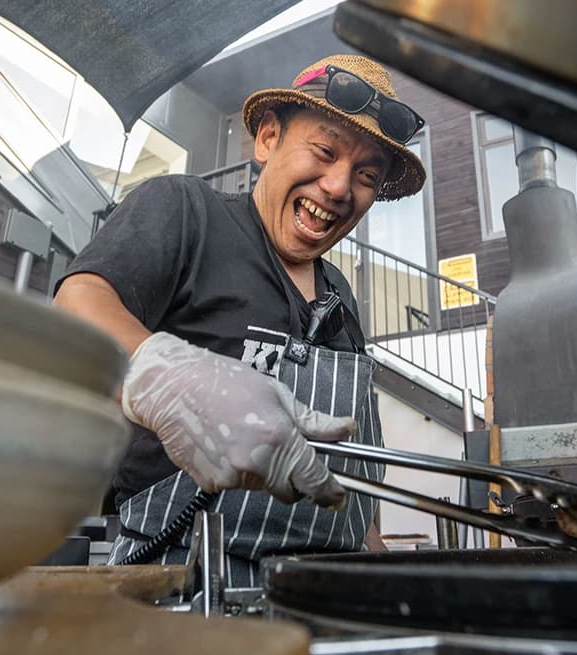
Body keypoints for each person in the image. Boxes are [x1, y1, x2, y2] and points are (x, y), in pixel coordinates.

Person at [53, 54, 426, 586]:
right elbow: (78, 305)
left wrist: (385, 573)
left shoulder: (341, 297)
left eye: (366, 176)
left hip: (326, 596)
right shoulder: (187, 211)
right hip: (184, 587)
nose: (340, 187)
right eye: (324, 151)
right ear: (268, 138)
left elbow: (349, 483)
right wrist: (165, 373)